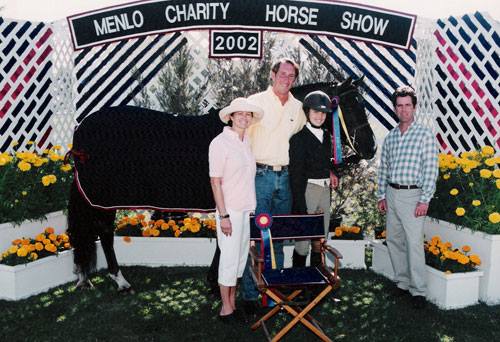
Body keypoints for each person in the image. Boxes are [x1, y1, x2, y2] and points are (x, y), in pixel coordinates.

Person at [241, 58, 307, 310]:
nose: (287, 79)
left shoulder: (298, 108)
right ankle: (250, 296)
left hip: (285, 179)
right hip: (260, 177)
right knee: (257, 237)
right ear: (272, 74)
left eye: (292, 76)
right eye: (283, 74)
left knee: (278, 237)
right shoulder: (255, 103)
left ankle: (275, 294)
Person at [377, 86, 438, 309]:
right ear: (395, 108)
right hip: (392, 194)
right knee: (394, 240)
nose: (403, 109)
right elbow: (384, 168)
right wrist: (382, 195)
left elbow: (431, 169)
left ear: (414, 107)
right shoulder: (391, 137)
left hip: (413, 196)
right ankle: (402, 282)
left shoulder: (424, 135)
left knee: (413, 244)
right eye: (399, 105)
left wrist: (425, 200)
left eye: (407, 105)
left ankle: (418, 291)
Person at [208, 97, 264, 320]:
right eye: (239, 113)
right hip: (229, 211)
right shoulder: (220, 143)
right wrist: (223, 216)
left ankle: (231, 303)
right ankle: (226, 308)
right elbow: (215, 182)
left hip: (245, 210)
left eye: (247, 114)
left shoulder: (245, 142)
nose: (244, 117)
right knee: (229, 260)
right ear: (230, 117)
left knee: (240, 259)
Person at [289, 91, 339, 267]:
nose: (319, 116)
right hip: (307, 190)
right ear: (307, 112)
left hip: (325, 190)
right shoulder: (298, 139)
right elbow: (295, 175)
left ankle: (317, 281)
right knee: (303, 241)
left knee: (320, 237)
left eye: (323, 112)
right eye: (315, 111)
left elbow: (325, 162)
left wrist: (331, 171)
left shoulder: (327, 136)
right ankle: (299, 282)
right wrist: (300, 205)